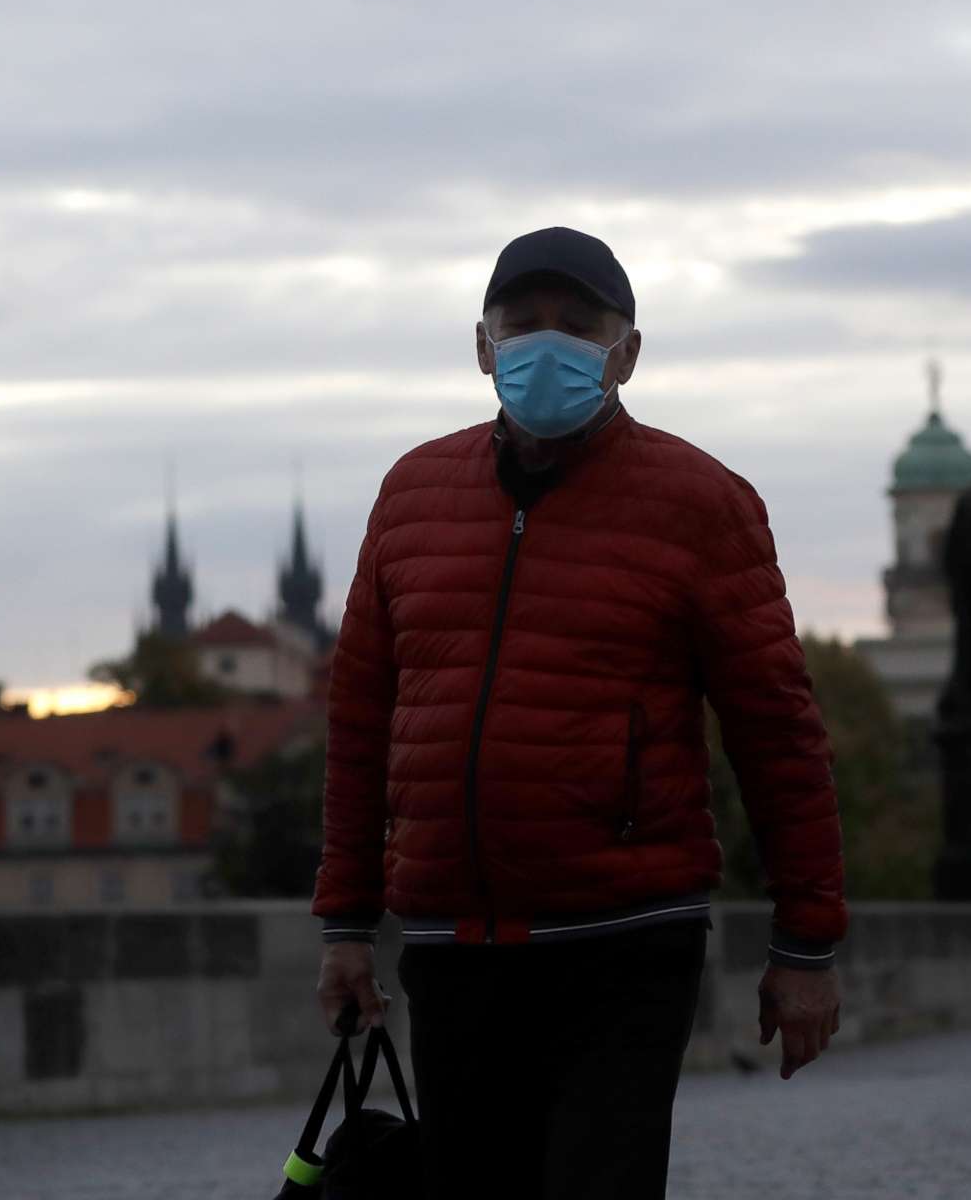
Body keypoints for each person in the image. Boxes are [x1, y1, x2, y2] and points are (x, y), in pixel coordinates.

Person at [313, 226, 847, 1200]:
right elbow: (361, 723)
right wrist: (347, 924)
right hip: (455, 940)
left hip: (625, 936)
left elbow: (777, 732)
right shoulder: (411, 495)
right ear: (483, 347)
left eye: (577, 327)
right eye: (522, 327)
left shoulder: (700, 502)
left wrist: (804, 943)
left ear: (627, 352)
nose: (545, 347)